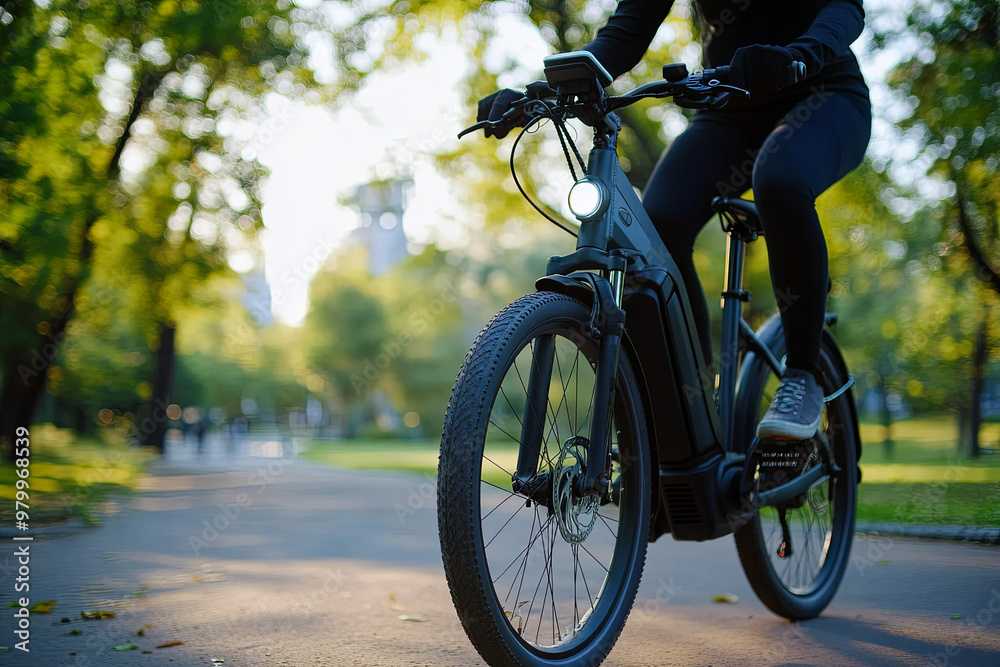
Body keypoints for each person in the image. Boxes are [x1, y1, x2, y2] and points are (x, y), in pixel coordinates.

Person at [478, 0, 871, 441]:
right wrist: (540, 92)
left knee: (778, 180)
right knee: (657, 226)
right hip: (728, 110)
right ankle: (695, 406)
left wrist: (803, 53)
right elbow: (625, 34)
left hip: (823, 95)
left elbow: (844, 8)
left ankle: (802, 375)